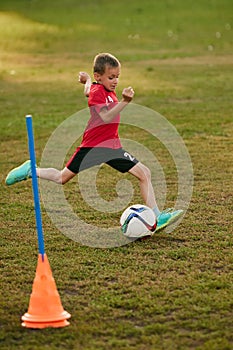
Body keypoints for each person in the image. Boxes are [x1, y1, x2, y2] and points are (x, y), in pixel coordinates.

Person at [5, 53, 183, 231]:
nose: (115, 81)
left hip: (111, 146)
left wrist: (88, 80)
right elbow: (105, 116)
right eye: (111, 77)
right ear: (100, 76)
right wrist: (125, 101)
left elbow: (87, 91)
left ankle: (157, 217)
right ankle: (31, 169)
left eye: (117, 77)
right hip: (94, 147)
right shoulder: (99, 92)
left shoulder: (103, 88)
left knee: (144, 173)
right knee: (62, 177)